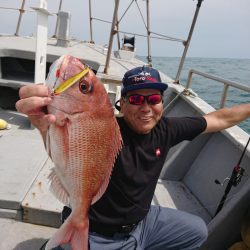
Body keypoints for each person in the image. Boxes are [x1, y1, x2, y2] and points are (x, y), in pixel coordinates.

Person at [16, 66, 250, 250]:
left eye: (154, 99)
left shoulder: (167, 129)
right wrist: (43, 126)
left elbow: (220, 119)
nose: (146, 107)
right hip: (99, 232)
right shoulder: (103, 131)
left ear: (162, 102)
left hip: (144, 222)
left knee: (198, 231)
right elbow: (67, 151)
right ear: (123, 103)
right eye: (137, 100)